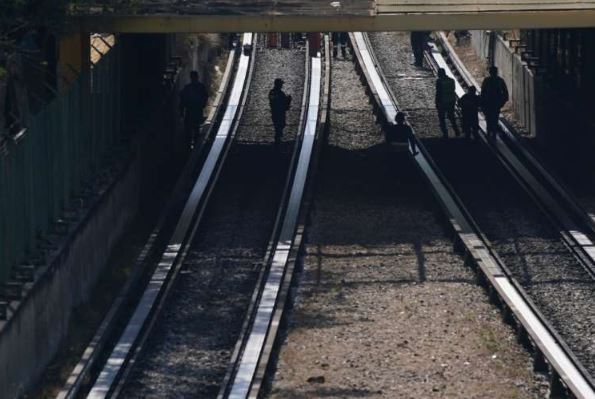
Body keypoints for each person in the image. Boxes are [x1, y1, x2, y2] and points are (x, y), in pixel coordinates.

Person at [180, 71, 208, 149]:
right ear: (197, 77)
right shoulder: (201, 87)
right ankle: (196, 146)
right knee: (196, 129)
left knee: (188, 130)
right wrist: (202, 106)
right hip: (197, 111)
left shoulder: (187, 88)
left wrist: (181, 111)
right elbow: (205, 97)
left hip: (189, 111)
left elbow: (182, 100)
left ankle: (188, 147)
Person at [480, 66, 509, 138]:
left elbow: (483, 92)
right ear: (496, 72)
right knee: (495, 117)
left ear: (490, 72)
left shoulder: (486, 80)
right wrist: (502, 102)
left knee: (488, 117)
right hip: (496, 103)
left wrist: (482, 102)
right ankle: (493, 132)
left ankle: (489, 131)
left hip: (488, 102)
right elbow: (505, 93)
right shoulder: (500, 80)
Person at [435, 68, 460, 138]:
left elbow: (438, 92)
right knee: (451, 116)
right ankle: (456, 130)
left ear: (439, 74)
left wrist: (437, 102)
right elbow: (453, 89)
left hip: (442, 101)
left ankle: (445, 134)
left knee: (442, 118)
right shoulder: (451, 80)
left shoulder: (439, 81)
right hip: (451, 101)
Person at [269, 78, 292, 146]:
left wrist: (287, 99)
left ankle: (278, 139)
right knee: (278, 126)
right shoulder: (274, 92)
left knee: (281, 125)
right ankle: (277, 141)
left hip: (280, 112)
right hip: (277, 112)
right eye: (281, 84)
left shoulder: (278, 92)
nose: (282, 85)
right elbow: (274, 101)